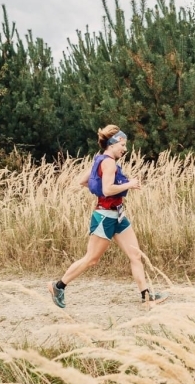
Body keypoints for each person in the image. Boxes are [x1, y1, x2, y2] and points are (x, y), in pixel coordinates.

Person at [48, 125, 166, 309]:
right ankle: (58, 286)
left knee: (135, 254)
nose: (125, 149)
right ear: (112, 144)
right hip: (104, 216)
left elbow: (83, 181)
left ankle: (146, 297)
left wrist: (105, 190)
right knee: (92, 259)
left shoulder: (100, 159)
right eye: (122, 145)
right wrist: (129, 184)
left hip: (117, 215)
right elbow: (107, 189)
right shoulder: (109, 162)